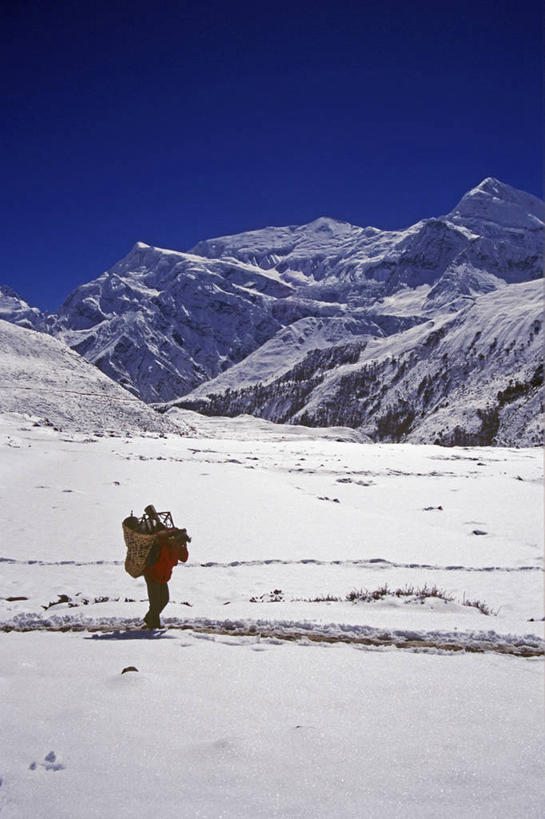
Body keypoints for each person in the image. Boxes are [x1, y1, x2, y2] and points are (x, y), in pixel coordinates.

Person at [143, 527, 190, 629]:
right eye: (181, 542)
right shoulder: (164, 545)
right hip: (152, 574)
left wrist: (184, 547)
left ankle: (149, 619)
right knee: (155, 603)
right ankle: (154, 626)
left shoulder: (177, 546)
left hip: (162, 576)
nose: (181, 544)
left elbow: (184, 558)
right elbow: (169, 560)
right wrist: (174, 546)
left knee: (164, 599)